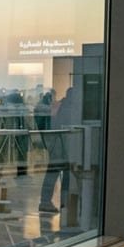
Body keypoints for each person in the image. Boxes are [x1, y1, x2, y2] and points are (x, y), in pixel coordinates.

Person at [40, 86, 78, 214]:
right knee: (65, 176)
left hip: (56, 145)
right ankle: (64, 204)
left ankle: (46, 202)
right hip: (63, 146)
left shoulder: (59, 105)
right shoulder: (70, 108)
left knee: (52, 174)